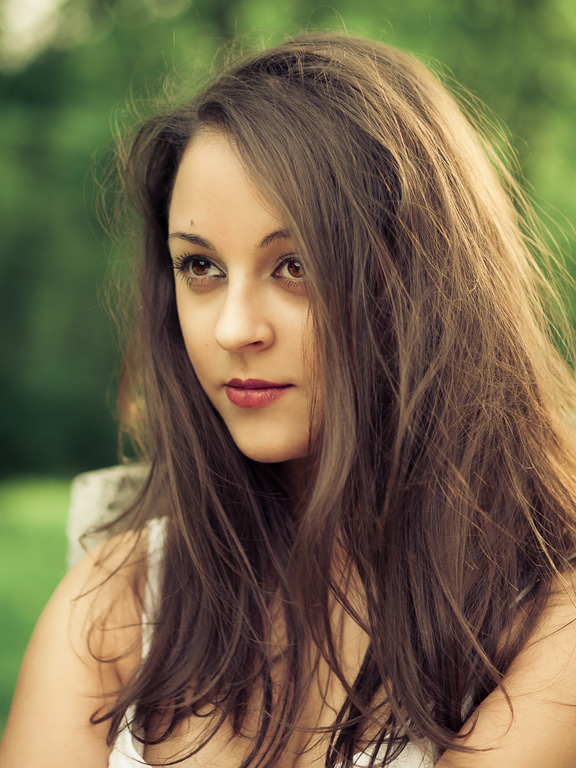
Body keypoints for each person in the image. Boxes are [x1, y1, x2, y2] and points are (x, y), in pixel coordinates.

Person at [2, 31, 576, 768]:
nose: (233, 328)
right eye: (200, 266)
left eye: (295, 266)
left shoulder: (545, 615)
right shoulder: (118, 603)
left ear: (422, 285)